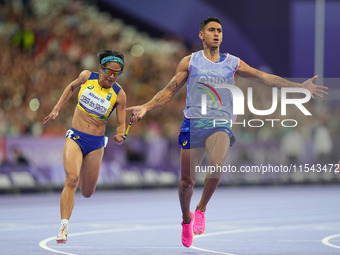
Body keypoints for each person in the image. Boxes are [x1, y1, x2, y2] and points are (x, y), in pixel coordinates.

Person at [126, 17, 328, 248]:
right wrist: (146, 107)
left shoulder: (232, 62)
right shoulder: (190, 62)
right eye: (211, 30)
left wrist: (299, 87)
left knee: (217, 163)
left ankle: (201, 208)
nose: (216, 34)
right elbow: (170, 90)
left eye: (219, 31)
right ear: (201, 35)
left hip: (220, 123)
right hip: (193, 124)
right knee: (186, 182)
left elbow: (265, 78)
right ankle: (186, 219)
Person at [43, 49, 127, 244]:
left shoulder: (119, 94)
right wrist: (56, 109)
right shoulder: (86, 76)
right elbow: (71, 87)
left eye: (117, 73)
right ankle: (63, 225)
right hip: (76, 137)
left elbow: (121, 122)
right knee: (72, 179)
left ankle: (81, 175)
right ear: (101, 68)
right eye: (109, 72)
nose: (112, 77)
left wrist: (121, 134)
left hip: (96, 144)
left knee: (87, 192)